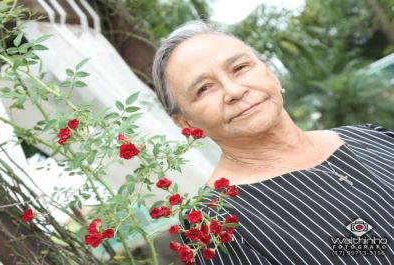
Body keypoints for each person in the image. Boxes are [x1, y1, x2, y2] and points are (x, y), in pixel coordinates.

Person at [151, 19, 394, 265]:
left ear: (272, 74)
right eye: (204, 88)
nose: (234, 91)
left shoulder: (370, 136)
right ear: (186, 124)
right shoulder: (214, 223)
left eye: (240, 67)